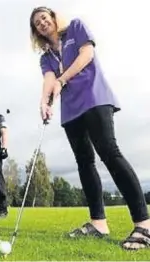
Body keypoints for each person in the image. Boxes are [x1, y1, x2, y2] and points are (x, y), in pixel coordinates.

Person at [29, 6, 150, 250]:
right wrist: (44, 102)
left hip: (94, 98)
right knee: (84, 163)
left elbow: (87, 55)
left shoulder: (75, 26)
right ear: (36, 31)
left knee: (109, 152)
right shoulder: (45, 57)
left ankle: (145, 224)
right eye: (36, 23)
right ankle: (99, 223)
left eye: (44, 18)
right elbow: (49, 80)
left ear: (53, 18)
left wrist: (63, 79)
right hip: (71, 110)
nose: (42, 23)